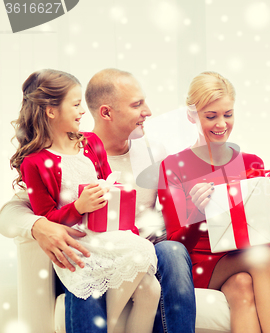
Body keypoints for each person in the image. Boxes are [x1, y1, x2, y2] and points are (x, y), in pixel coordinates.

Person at [0, 68, 196, 333]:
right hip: (88, 247)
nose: (148, 111)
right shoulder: (57, 156)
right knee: (85, 268)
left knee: (171, 253)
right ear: (106, 112)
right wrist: (39, 226)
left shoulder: (151, 151)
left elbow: (173, 207)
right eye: (137, 104)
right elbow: (14, 210)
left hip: (135, 243)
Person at [158, 71, 270, 333]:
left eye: (228, 114)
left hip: (236, 260)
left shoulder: (252, 163)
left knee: (241, 286)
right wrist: (196, 211)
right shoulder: (173, 166)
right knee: (261, 258)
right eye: (211, 116)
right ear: (191, 115)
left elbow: (264, 230)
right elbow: (175, 244)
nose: (221, 124)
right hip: (198, 264)